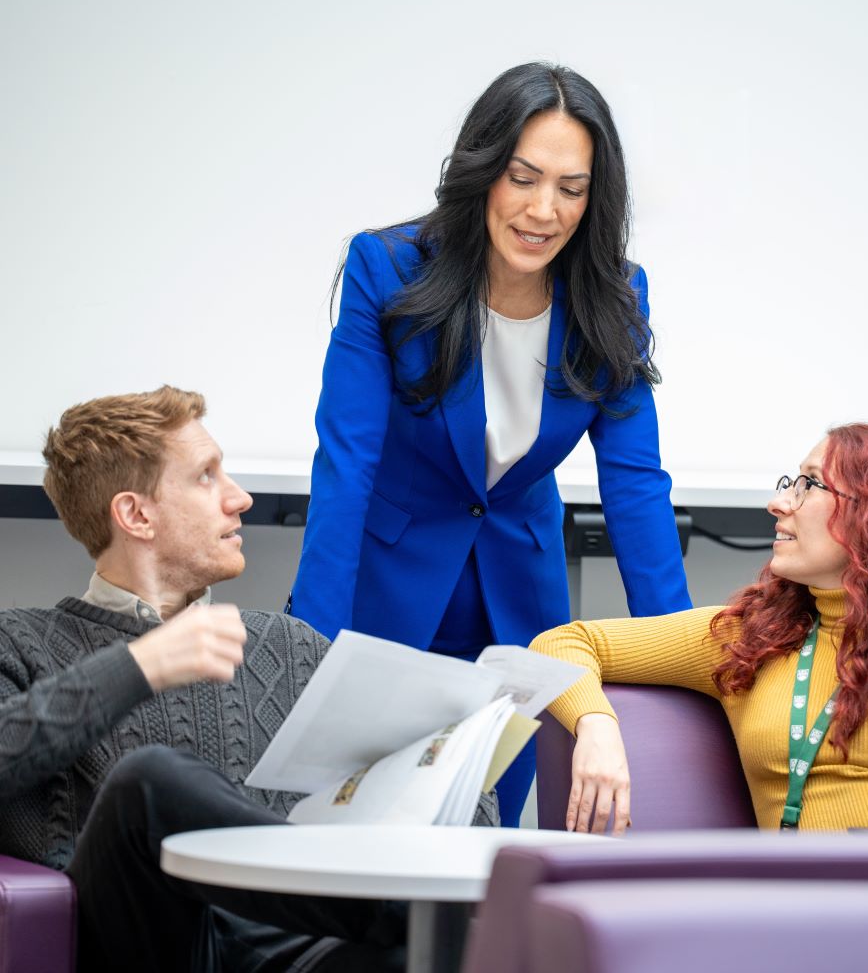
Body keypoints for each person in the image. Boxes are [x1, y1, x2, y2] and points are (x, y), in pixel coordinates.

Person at [288, 62, 692, 826]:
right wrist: (308, 653)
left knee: (486, 840)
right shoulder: (390, 268)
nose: (544, 210)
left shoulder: (615, 294)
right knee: (360, 844)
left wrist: (680, 666)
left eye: (571, 188)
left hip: (521, 609)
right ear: (483, 172)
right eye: (523, 177)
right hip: (388, 594)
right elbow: (346, 466)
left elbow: (637, 487)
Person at [0, 386, 497, 973]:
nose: (240, 498)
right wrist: (143, 665)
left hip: (303, 950)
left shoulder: (287, 645)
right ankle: (395, 909)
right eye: (207, 476)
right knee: (150, 780)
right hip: (157, 944)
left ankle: (408, 915)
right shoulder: (20, 642)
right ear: (136, 514)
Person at [530, 424, 868, 834]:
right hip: (796, 913)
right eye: (788, 484)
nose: (777, 503)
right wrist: (597, 726)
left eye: (809, 485)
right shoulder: (751, 637)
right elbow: (560, 642)